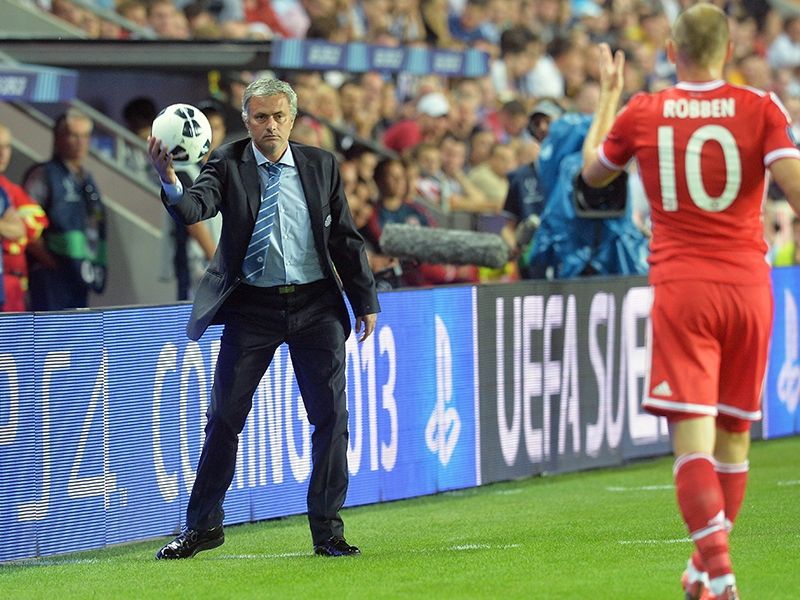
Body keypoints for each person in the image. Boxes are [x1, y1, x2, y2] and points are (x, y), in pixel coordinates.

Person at [580, 5, 800, 599]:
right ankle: (703, 572)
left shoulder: (646, 111)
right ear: (728, 51)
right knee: (734, 439)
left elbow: (593, 173)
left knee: (692, 441)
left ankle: (719, 569)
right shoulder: (762, 108)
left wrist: (609, 95)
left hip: (685, 289)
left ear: (672, 52)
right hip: (751, 288)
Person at [147, 77, 380, 560]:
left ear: (292, 120)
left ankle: (328, 533)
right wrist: (170, 181)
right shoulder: (227, 163)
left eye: (277, 117)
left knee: (331, 419)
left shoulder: (321, 165)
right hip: (252, 307)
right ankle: (203, 527)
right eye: (259, 117)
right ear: (246, 120)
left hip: (317, 305)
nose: (269, 125)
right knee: (224, 419)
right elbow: (195, 208)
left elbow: (346, 239)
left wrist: (366, 300)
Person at [23, 108, 107, 311]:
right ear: (59, 138)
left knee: (76, 337)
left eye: (85, 136)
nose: (80, 142)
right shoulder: (43, 175)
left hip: (80, 273)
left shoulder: (87, 179)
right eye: (74, 136)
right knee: (50, 338)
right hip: (49, 276)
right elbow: (26, 226)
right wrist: (51, 263)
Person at [0, 124, 48, 311]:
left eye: (6, 147)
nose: (2, 153)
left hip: (12, 284)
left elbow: (24, 229)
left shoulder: (9, 191)